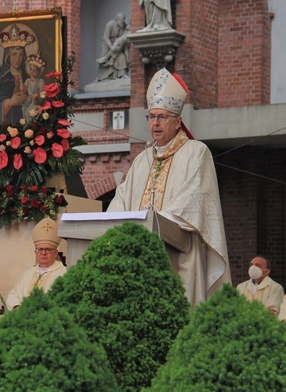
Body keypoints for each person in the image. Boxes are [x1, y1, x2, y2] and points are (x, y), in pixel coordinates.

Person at [107, 68, 230, 309]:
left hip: (180, 256)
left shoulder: (196, 152)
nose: (155, 123)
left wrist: (154, 222)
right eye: (151, 117)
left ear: (177, 121)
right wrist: (111, 224)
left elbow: (195, 198)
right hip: (138, 256)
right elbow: (121, 198)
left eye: (162, 117)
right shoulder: (142, 159)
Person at [6, 217, 66, 309]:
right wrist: (17, 307)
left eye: (48, 249)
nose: (43, 253)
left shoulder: (64, 274)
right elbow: (13, 295)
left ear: (55, 253)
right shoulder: (27, 274)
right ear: (35, 252)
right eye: (40, 249)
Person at [0, 24, 34, 124]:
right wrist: (9, 103)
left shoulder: (28, 76)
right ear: (8, 56)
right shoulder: (0, 78)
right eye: (14, 54)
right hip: (7, 124)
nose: (18, 59)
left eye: (21, 55)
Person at [96, 13, 130, 82]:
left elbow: (125, 36)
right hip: (107, 44)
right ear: (116, 20)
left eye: (124, 19)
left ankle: (122, 74)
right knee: (104, 60)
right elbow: (106, 37)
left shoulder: (124, 26)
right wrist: (110, 46)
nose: (123, 21)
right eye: (121, 20)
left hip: (117, 46)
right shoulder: (110, 24)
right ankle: (102, 77)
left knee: (122, 56)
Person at [22, 54, 46, 122]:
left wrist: (37, 95)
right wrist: (21, 83)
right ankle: (25, 124)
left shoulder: (41, 82)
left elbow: (42, 94)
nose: (31, 72)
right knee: (24, 109)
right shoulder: (28, 81)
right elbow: (24, 90)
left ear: (39, 72)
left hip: (36, 101)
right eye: (31, 69)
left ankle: (30, 126)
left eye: (34, 70)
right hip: (29, 99)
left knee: (29, 113)